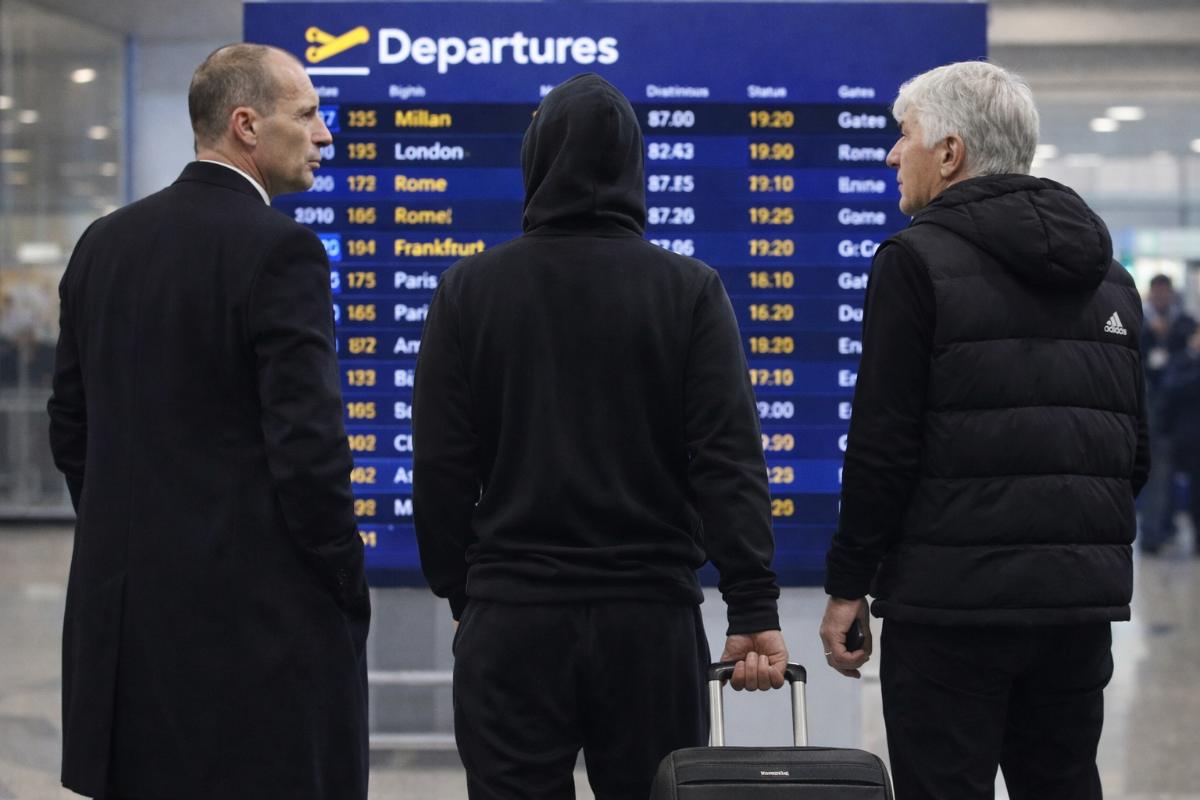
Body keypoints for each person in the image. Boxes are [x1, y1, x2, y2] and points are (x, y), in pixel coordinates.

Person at [413, 73, 788, 800]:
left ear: (535, 162)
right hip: (651, 623)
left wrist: (465, 594)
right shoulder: (690, 290)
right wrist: (753, 607)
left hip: (513, 619)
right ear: (634, 168)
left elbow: (439, 466)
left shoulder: (468, 291)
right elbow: (728, 460)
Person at [818, 61, 1148, 799]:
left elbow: (884, 447)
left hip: (949, 609)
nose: (891, 155)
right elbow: (1133, 454)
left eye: (903, 137)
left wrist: (848, 587)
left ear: (950, 152)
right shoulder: (1110, 278)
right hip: (1075, 609)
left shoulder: (914, 261)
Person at [47, 44, 369, 800]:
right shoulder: (281, 251)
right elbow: (310, 450)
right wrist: (340, 575)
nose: (326, 136)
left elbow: (71, 428)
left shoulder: (103, 244)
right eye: (310, 114)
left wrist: (132, 539)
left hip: (127, 639)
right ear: (247, 125)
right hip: (254, 643)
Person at [1139, 274, 1197, 553]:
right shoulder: (1138, 324)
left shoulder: (1186, 325)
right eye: (1157, 292)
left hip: (1185, 416)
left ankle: (1170, 528)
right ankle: (1153, 533)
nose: (1161, 297)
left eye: (1166, 292)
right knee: (1158, 473)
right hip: (1153, 410)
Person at [1161, 324, 1200, 550]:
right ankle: (1164, 530)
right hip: (1180, 436)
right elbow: (1170, 387)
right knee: (1166, 487)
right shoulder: (1181, 361)